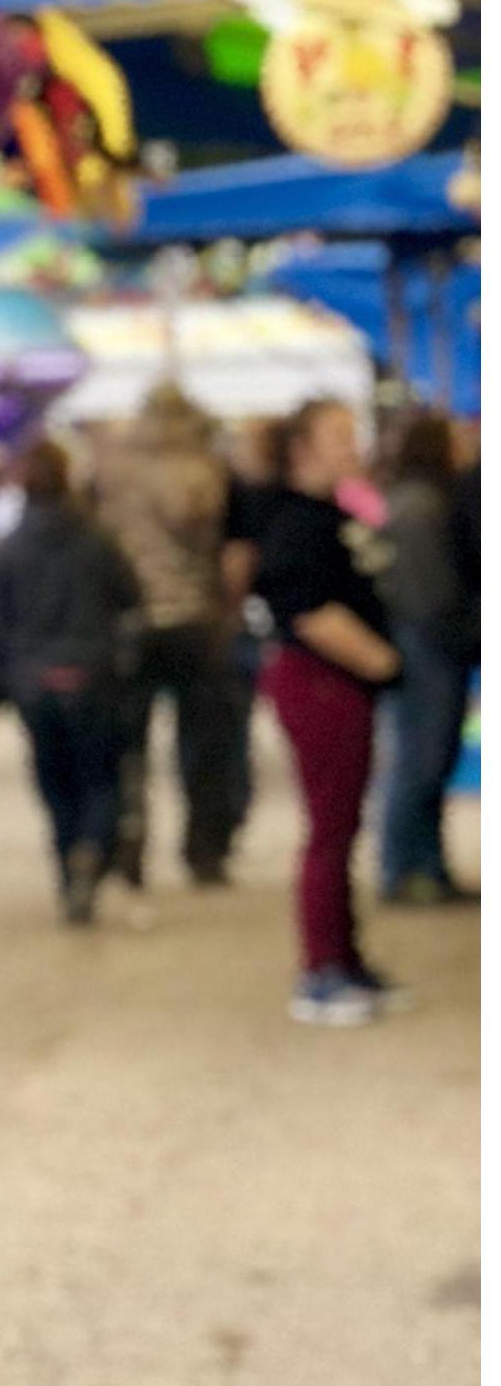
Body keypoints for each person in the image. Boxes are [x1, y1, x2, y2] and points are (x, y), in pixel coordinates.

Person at [256, 397, 405, 1024]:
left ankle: (344, 957)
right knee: (329, 828)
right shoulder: (296, 525)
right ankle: (322, 970)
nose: (354, 445)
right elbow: (311, 613)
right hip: (321, 685)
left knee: (343, 826)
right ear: (303, 450)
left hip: (341, 686)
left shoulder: (331, 512)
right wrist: (384, 663)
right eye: (339, 435)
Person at [0, 440, 142, 925]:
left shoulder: (6, 550)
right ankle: (94, 848)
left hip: (34, 680)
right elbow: (130, 599)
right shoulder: (99, 540)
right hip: (95, 674)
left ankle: (69, 872)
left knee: (55, 782)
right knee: (102, 778)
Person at [92, 385, 256, 888]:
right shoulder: (211, 468)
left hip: (129, 622)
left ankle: (128, 849)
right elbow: (234, 556)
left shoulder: (107, 470)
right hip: (198, 621)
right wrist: (229, 612)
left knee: (127, 746)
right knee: (205, 746)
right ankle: (204, 851)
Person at [375, 411, 477, 906]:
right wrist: (467, 633)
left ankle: (424, 868)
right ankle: (403, 870)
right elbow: (431, 594)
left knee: (428, 761)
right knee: (420, 760)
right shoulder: (422, 506)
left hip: (429, 641)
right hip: (428, 646)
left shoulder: (418, 500)